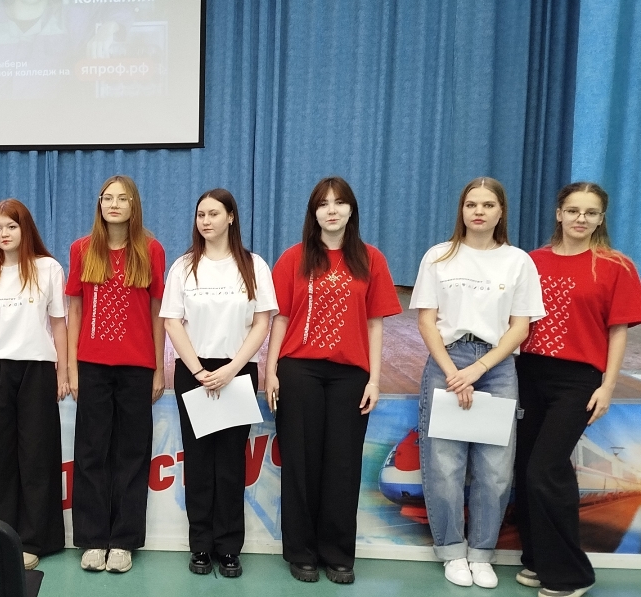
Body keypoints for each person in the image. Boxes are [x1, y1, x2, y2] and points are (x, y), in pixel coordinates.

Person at [263, 176, 401, 584]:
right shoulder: (293, 258)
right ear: (314, 213)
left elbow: (375, 324)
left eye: (339, 202)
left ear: (351, 209)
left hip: (350, 375)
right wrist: (270, 370)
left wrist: (374, 379)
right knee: (301, 463)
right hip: (299, 370)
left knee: (343, 465)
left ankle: (338, 554)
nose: (332, 210)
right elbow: (280, 318)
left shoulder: (371, 259)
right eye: (323, 204)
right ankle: (301, 552)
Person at [410, 177, 544, 589]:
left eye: (488, 205)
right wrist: (454, 371)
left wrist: (479, 368)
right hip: (446, 362)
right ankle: (452, 551)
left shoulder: (518, 261)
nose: (479, 211)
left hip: (497, 367)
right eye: (472, 204)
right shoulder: (439, 256)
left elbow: (520, 327)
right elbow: (426, 320)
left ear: (501, 212)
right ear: (462, 210)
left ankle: (482, 553)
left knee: (495, 469)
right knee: (444, 466)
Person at [513, 182, 641, 597]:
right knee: (526, 469)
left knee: (545, 470)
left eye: (590, 212)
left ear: (601, 219)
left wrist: (607, 386)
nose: (580, 219)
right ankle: (537, 560)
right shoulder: (532, 261)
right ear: (559, 214)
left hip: (578, 381)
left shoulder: (616, 266)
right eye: (572, 210)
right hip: (529, 374)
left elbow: (618, 331)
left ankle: (571, 576)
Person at [160, 188, 277, 578]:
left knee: (230, 463)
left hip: (237, 371)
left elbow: (262, 321)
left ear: (231, 217)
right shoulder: (183, 266)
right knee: (198, 462)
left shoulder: (253, 265)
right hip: (194, 371)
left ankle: (228, 547)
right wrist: (197, 370)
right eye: (200, 215)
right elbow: (172, 321)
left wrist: (232, 369)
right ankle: (200, 545)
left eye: (213, 214)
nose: (206, 221)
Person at [66, 174, 166, 574]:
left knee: (131, 454)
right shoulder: (82, 249)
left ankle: (124, 540)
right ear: (99, 204)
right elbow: (74, 310)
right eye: (107, 198)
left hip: (137, 368)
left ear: (133, 205)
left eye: (122, 199)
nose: (114, 204)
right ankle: (93, 539)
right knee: (91, 453)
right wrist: (72, 367)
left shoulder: (151, 249)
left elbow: (158, 312)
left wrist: (158, 368)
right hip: (91, 366)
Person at [0, 199, 69, 570]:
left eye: (11, 226)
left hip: (37, 370)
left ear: (25, 229)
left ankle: (36, 539)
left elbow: (58, 324)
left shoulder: (48, 268)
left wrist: (63, 371)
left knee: (37, 455)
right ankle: (1, 535)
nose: (4, 234)